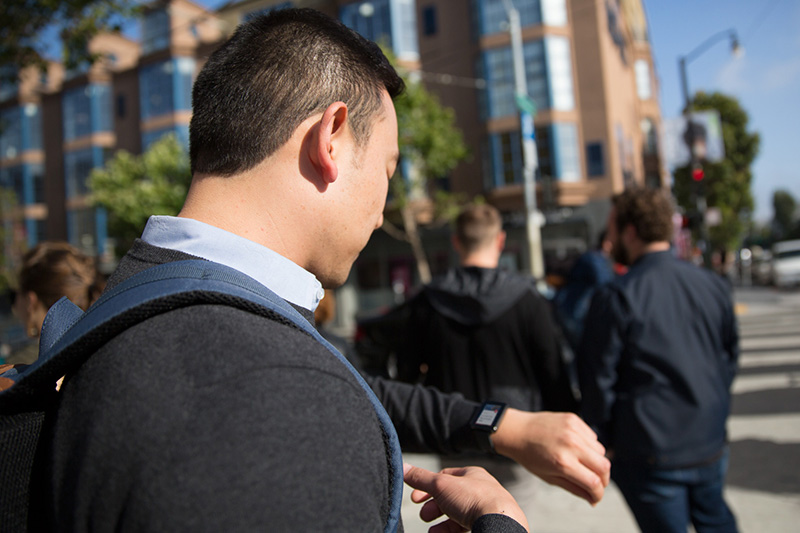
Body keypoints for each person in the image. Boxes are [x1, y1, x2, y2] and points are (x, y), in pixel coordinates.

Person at [46, 9, 607, 531]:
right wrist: (501, 523)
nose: (384, 207)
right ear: (331, 137)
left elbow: (351, 385)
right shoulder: (278, 403)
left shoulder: (143, 298)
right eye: (387, 169)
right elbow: (310, 387)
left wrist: (502, 425)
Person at [577, 188, 739, 533]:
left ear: (630, 232)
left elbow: (597, 381)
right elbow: (728, 360)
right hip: (708, 441)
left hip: (649, 453)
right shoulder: (713, 285)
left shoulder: (616, 296)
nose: (608, 238)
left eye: (612, 228)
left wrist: (602, 441)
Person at [399, 203, 576, 413]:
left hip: (449, 426)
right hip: (515, 427)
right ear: (500, 240)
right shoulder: (527, 300)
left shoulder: (428, 301)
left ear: (456, 242)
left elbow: (406, 373)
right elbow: (553, 373)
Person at [0, 242, 104, 383]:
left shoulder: (19, 371)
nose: (15, 306)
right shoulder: (97, 354)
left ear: (31, 301)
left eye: (15, 296)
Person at [553, 230, 615, 353]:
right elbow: (605, 282)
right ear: (606, 243)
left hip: (573, 313)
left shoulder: (597, 259)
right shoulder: (594, 259)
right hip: (573, 313)